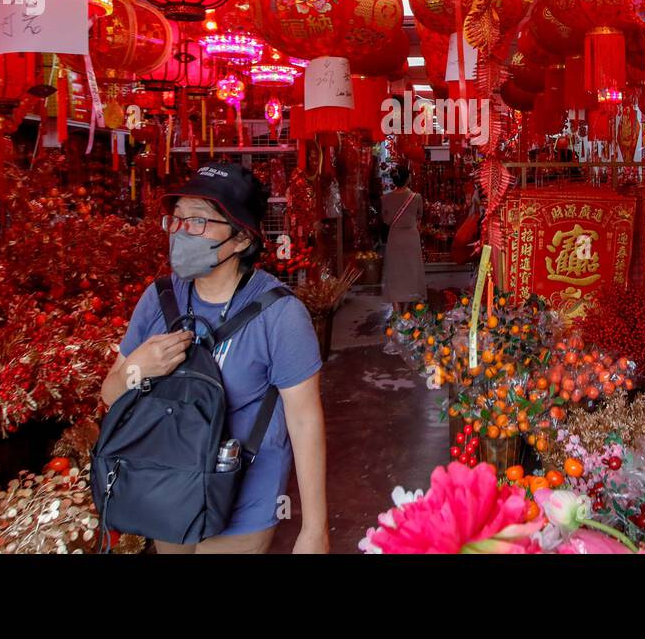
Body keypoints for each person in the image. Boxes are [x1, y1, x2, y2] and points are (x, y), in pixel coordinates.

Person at [100, 163, 328, 554]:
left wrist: (314, 529)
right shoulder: (158, 299)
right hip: (167, 491)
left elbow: (305, 421)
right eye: (177, 219)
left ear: (241, 238)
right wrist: (140, 367)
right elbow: (110, 394)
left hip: (243, 499)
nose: (182, 232)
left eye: (199, 222)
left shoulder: (279, 314)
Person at [380, 163, 426, 316]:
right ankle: (406, 310)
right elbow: (420, 216)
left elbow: (386, 220)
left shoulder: (385, 198)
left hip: (394, 238)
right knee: (410, 272)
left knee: (394, 272)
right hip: (411, 238)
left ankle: (396, 309)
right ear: (407, 179)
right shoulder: (416, 197)